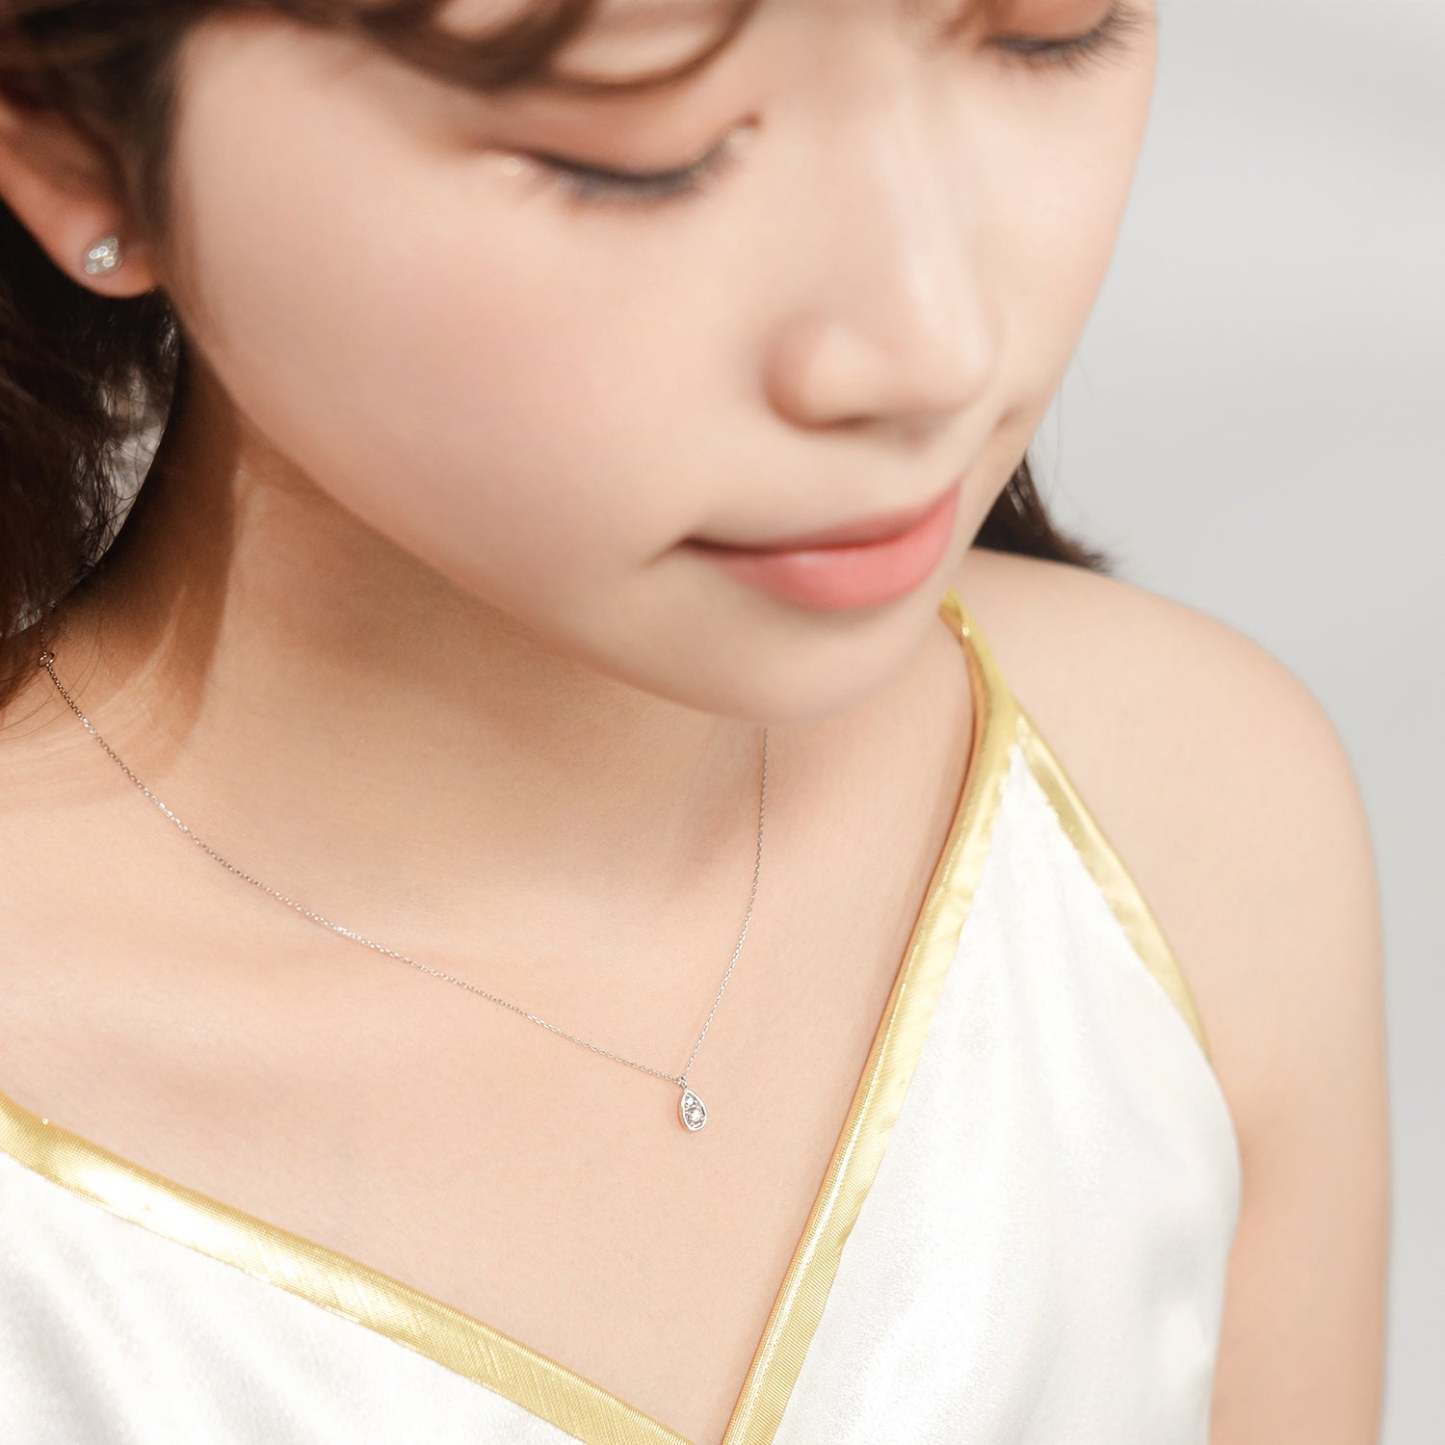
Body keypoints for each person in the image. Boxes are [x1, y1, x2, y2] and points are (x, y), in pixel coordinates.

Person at [0, 2, 1388, 1442]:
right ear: (73, 129)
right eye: (637, 144)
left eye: (1048, 31)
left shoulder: (1182, 809)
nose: (930, 349)